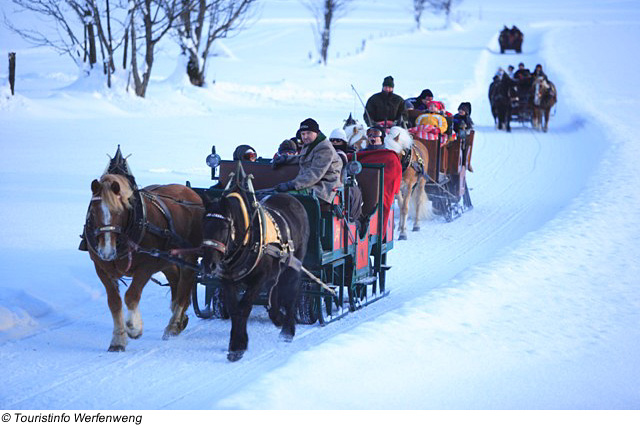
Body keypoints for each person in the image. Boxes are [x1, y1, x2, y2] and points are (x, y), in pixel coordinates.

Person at [273, 118, 343, 205]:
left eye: (308, 133)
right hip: (310, 185)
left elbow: (314, 174)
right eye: (303, 134)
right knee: (272, 194)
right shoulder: (311, 144)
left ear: (316, 133)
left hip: (322, 189)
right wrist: (286, 159)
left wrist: (291, 185)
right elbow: (303, 158)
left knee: (286, 197)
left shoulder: (325, 148)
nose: (305, 136)